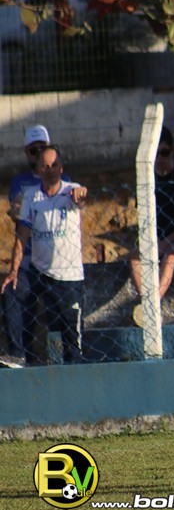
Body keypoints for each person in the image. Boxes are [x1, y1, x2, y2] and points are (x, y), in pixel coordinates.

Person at [1, 146, 87, 364]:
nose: (50, 170)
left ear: (61, 168)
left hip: (68, 276)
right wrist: (13, 271)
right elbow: (22, 235)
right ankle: (18, 355)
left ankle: (74, 368)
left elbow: (80, 198)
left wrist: (81, 195)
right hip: (39, 272)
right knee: (13, 290)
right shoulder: (32, 196)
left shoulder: (71, 191)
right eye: (45, 166)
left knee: (72, 340)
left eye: (54, 165)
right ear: (38, 169)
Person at [1, 125, 64, 367]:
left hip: (56, 260)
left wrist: (29, 208)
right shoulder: (20, 181)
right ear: (26, 153)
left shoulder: (65, 181)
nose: (38, 155)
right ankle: (18, 354)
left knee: (58, 305)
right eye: (33, 151)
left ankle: (60, 357)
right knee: (14, 292)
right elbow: (18, 212)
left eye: (42, 149)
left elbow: (23, 210)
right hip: (28, 258)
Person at [129, 127, 174, 325]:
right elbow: (142, 217)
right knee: (134, 257)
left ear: (172, 150)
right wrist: (153, 240)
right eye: (155, 154)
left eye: (164, 152)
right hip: (154, 236)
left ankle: (151, 304)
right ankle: (147, 301)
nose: (159, 158)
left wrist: (166, 242)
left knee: (171, 256)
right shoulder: (147, 180)